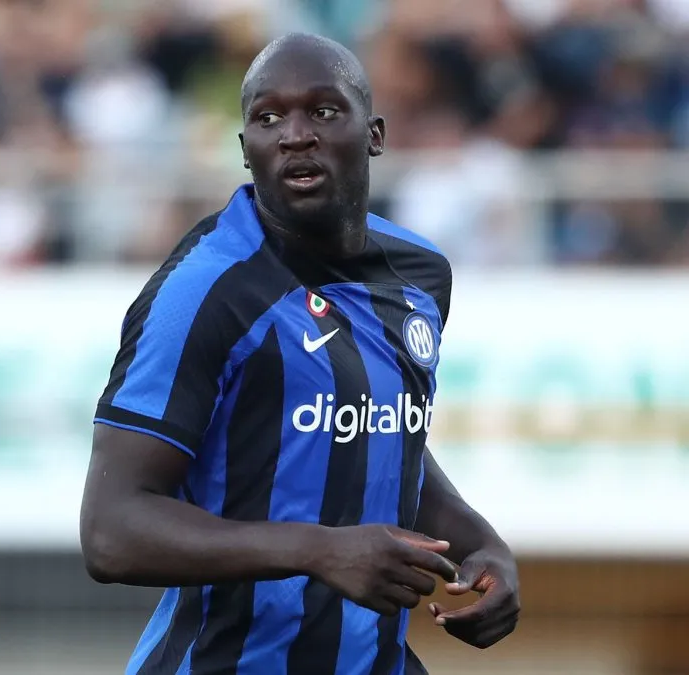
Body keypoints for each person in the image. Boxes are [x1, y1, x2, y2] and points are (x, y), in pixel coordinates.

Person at [79, 33, 520, 674]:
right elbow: (111, 532)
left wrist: (483, 544)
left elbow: (382, 434)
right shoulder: (204, 292)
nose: (294, 135)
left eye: (323, 110)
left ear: (374, 134)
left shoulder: (420, 276)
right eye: (268, 118)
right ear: (245, 150)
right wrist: (318, 550)